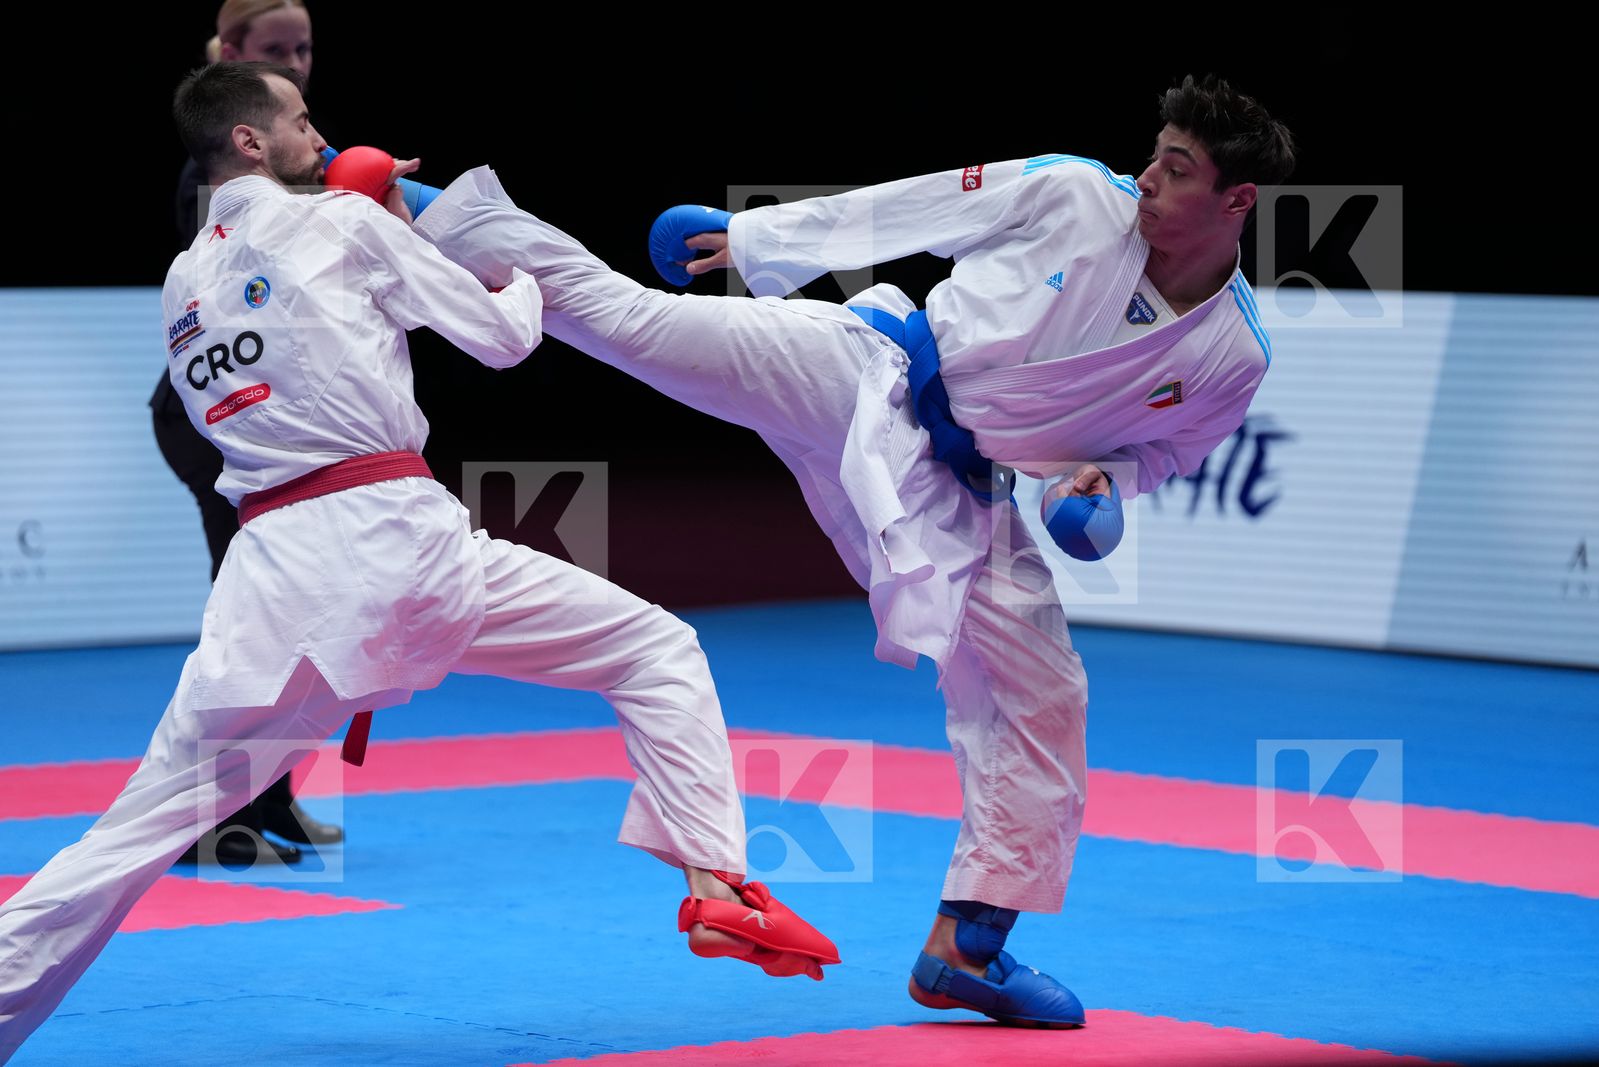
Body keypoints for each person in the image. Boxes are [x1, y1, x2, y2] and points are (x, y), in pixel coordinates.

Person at [403, 74, 1294, 1028]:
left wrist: (1102, 489)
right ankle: (399, 201)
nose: (1148, 178)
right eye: (1155, 154)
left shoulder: (1229, 356)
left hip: (959, 493)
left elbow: (1157, 454)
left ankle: (967, 947)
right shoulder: (1081, 192)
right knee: (629, 323)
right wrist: (755, 240)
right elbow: (912, 202)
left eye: (1177, 169)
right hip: (865, 371)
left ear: (1235, 200)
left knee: (1046, 690)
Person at [0, 61, 836, 1061]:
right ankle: (717, 882)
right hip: (396, 540)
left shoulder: (184, 282)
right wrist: (503, 250)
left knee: (129, 834)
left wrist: (367, 219)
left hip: (270, 584)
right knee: (655, 650)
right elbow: (499, 338)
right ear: (251, 141)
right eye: (301, 120)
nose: (320, 132)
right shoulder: (343, 226)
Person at [152, 0, 333, 866]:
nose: (297, 64)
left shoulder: (301, 163)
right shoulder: (219, 180)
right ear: (231, 54)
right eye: (275, 51)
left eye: (304, 48)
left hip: (268, 418)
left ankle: (270, 798)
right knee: (248, 626)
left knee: (289, 624)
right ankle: (202, 818)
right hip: (222, 427)